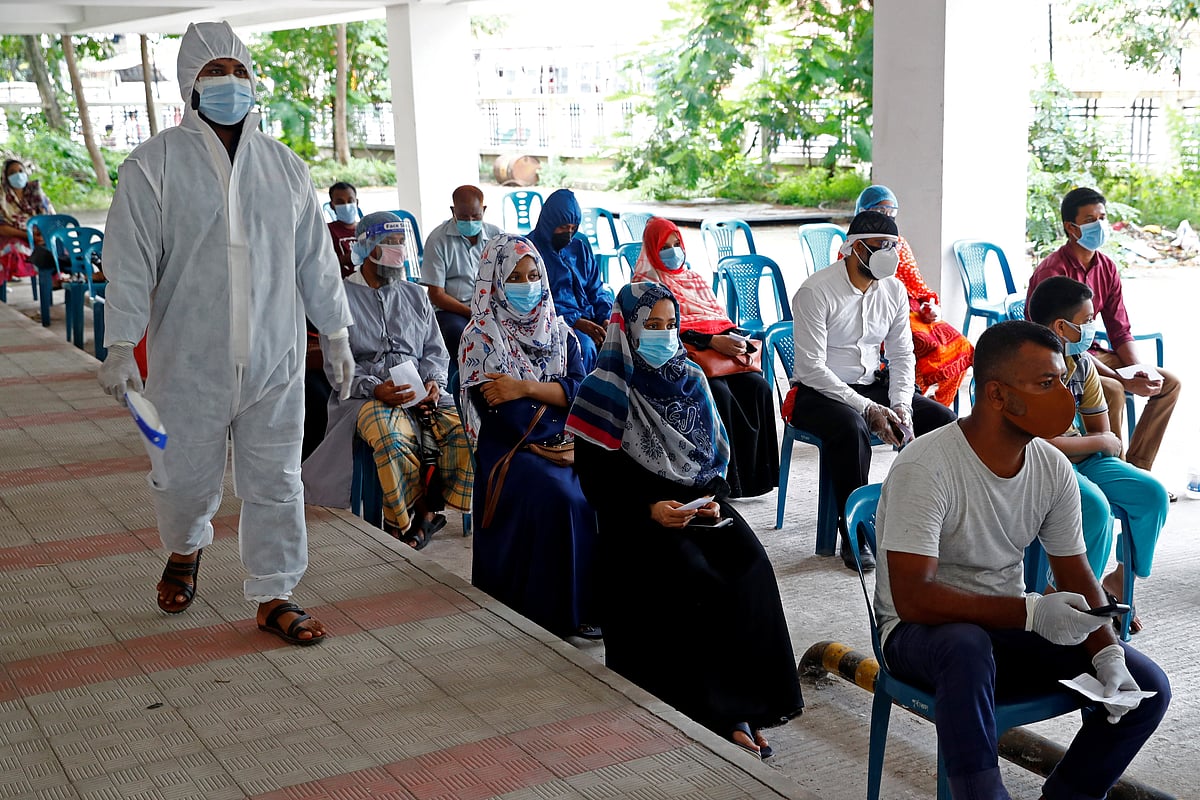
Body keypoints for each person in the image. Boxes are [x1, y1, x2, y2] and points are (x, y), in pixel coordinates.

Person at [97, 22, 355, 646]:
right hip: (188, 358)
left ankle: (275, 592)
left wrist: (338, 332)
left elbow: (314, 259)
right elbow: (129, 261)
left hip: (276, 358)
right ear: (190, 84)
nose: (231, 83)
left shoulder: (285, 168)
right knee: (182, 477)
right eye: (217, 72)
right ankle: (186, 547)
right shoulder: (153, 165)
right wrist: (119, 344)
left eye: (240, 71)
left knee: (275, 480)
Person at [874, 320, 1170, 800]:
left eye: (1062, 381)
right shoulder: (926, 467)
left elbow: (1075, 573)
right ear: (997, 395)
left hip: (1004, 627)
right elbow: (913, 600)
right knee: (965, 647)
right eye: (1046, 384)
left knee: (1147, 689)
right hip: (921, 638)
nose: (1064, 397)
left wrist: (1106, 650)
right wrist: (1031, 611)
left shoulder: (1050, 466)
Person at [567, 281, 803, 760]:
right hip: (635, 514)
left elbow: (711, 461)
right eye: (651, 326)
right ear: (628, 328)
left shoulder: (690, 377)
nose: (663, 334)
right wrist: (647, 509)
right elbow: (594, 478)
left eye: (670, 325)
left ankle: (749, 704)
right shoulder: (606, 389)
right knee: (693, 576)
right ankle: (713, 712)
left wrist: (713, 500)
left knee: (751, 566)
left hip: (696, 505)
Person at [787, 210, 956, 571]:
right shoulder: (816, 291)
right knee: (851, 428)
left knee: (943, 420)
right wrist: (867, 408)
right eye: (879, 247)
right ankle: (855, 533)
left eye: (893, 247)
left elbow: (901, 353)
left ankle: (934, 520)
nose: (888, 255)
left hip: (870, 385)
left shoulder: (894, 289)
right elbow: (811, 368)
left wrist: (901, 404)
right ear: (854, 248)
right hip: (818, 391)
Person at [458, 233, 599, 639]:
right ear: (496, 280)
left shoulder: (559, 330)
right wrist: (552, 405)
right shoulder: (482, 337)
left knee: (602, 489)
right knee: (563, 496)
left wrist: (525, 387)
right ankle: (556, 612)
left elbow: (579, 391)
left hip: (565, 443)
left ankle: (592, 605)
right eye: (515, 277)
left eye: (533, 274)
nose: (527, 284)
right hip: (512, 449)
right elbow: (502, 411)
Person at [303, 211, 473, 549]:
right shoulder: (340, 298)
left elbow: (435, 351)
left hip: (420, 392)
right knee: (391, 436)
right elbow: (338, 368)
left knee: (464, 430)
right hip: (364, 396)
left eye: (400, 243)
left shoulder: (415, 295)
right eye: (389, 243)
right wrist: (374, 387)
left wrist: (434, 383)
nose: (398, 251)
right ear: (366, 248)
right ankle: (408, 516)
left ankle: (431, 506)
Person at [1027, 277, 1169, 633]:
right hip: (1042, 463)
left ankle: (1118, 583)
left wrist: (1099, 444)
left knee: (1150, 494)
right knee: (1093, 506)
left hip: (1083, 457)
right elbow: (1041, 444)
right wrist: (1099, 444)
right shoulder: (1027, 366)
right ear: (1062, 327)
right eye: (1088, 320)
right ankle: (1075, 601)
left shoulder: (1082, 365)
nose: (1093, 328)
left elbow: (1102, 435)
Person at [1027, 187, 1180, 487]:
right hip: (1064, 355)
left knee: (1169, 383)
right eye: (1090, 219)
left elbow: (1119, 328)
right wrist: (1122, 380)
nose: (1099, 225)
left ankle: (1137, 468)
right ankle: (1115, 472)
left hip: (1095, 350)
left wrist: (1136, 370)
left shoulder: (1106, 267)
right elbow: (1058, 343)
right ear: (1072, 228)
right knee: (1110, 389)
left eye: (1102, 217)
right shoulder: (1053, 272)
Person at [632, 216, 778, 498]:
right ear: (651, 249)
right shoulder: (646, 283)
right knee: (718, 394)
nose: (674, 251)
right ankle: (727, 479)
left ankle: (757, 479)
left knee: (758, 387)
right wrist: (712, 341)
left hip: (717, 352)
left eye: (677, 244)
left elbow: (718, 317)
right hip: (680, 357)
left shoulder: (693, 279)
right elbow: (666, 332)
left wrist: (736, 339)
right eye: (665, 246)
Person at [854, 185, 973, 407]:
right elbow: (855, 295)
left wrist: (930, 305)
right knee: (924, 345)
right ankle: (911, 401)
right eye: (880, 212)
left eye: (891, 212)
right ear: (863, 212)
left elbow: (917, 285)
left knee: (962, 346)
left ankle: (939, 405)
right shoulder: (854, 247)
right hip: (877, 315)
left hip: (913, 312)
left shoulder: (899, 244)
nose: (886, 218)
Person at [528, 188, 611, 372]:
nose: (569, 234)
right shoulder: (529, 251)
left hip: (588, 320)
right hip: (551, 323)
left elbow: (596, 289)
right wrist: (574, 321)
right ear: (549, 222)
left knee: (619, 343)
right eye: (563, 227)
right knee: (585, 347)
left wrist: (605, 317)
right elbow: (534, 301)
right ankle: (579, 398)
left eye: (573, 228)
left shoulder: (578, 248)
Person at [419, 184, 501, 362]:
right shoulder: (437, 240)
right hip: (452, 310)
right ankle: (473, 384)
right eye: (463, 217)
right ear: (453, 211)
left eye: (476, 215)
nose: (470, 221)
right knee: (463, 337)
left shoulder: (497, 236)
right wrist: (472, 313)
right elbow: (437, 295)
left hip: (490, 307)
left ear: (484, 210)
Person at [0, 159, 56, 285]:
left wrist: (43, 235)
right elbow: (2, 228)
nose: (18, 175)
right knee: (14, 249)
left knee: (57, 246)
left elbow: (50, 218)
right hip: (14, 236)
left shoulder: (35, 192)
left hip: (38, 236)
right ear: (5, 177)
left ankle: (55, 281)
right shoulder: (2, 196)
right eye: (12, 173)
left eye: (21, 171)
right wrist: (29, 236)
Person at [326, 181, 359, 278]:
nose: (346, 205)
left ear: (357, 202)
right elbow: (324, 263)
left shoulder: (367, 229)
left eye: (350, 201)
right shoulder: (327, 231)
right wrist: (348, 258)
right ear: (332, 205)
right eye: (340, 202)